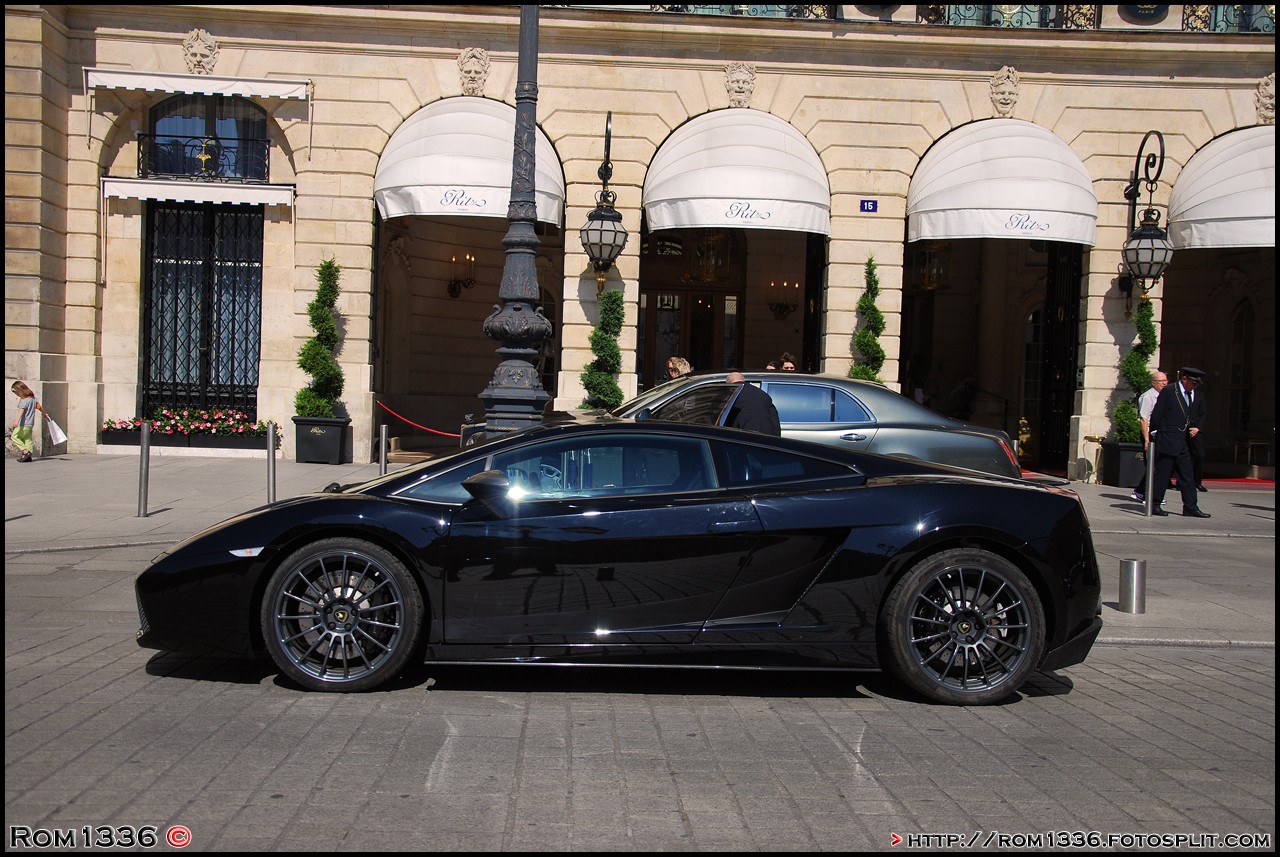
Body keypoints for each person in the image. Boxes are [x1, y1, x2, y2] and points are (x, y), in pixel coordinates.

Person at [1147, 367, 1210, 518]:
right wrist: (1154, 434)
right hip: (1168, 439)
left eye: (1197, 384)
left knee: (1187, 474)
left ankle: (1190, 507)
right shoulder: (1170, 391)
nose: (1194, 386)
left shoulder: (1192, 394)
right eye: (1193, 382)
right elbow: (1157, 414)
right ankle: (1155, 504)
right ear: (1185, 379)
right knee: (1163, 473)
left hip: (1183, 441)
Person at [1131, 370, 1169, 503]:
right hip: (1150, 435)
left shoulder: (1164, 395)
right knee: (1153, 466)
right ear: (1153, 383)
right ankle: (1148, 494)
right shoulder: (1148, 396)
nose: (1164, 383)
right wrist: (1147, 440)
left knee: (1158, 465)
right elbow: (1143, 419)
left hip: (1160, 434)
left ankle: (1141, 492)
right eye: (1160, 381)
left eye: (1165, 380)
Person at [725, 371, 781, 436]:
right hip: (766, 438)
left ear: (728, 383)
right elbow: (775, 423)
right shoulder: (763, 394)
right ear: (743, 380)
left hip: (743, 437)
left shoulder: (731, 394)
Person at [11, 380, 44, 463]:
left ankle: (25, 452)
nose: (16, 395)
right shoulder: (33, 399)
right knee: (27, 439)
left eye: (16, 393)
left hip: (23, 424)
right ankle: (28, 457)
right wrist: (45, 414)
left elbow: (21, 411)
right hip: (30, 424)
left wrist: (16, 421)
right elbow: (40, 407)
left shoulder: (24, 401)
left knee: (14, 437)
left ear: (19, 391)